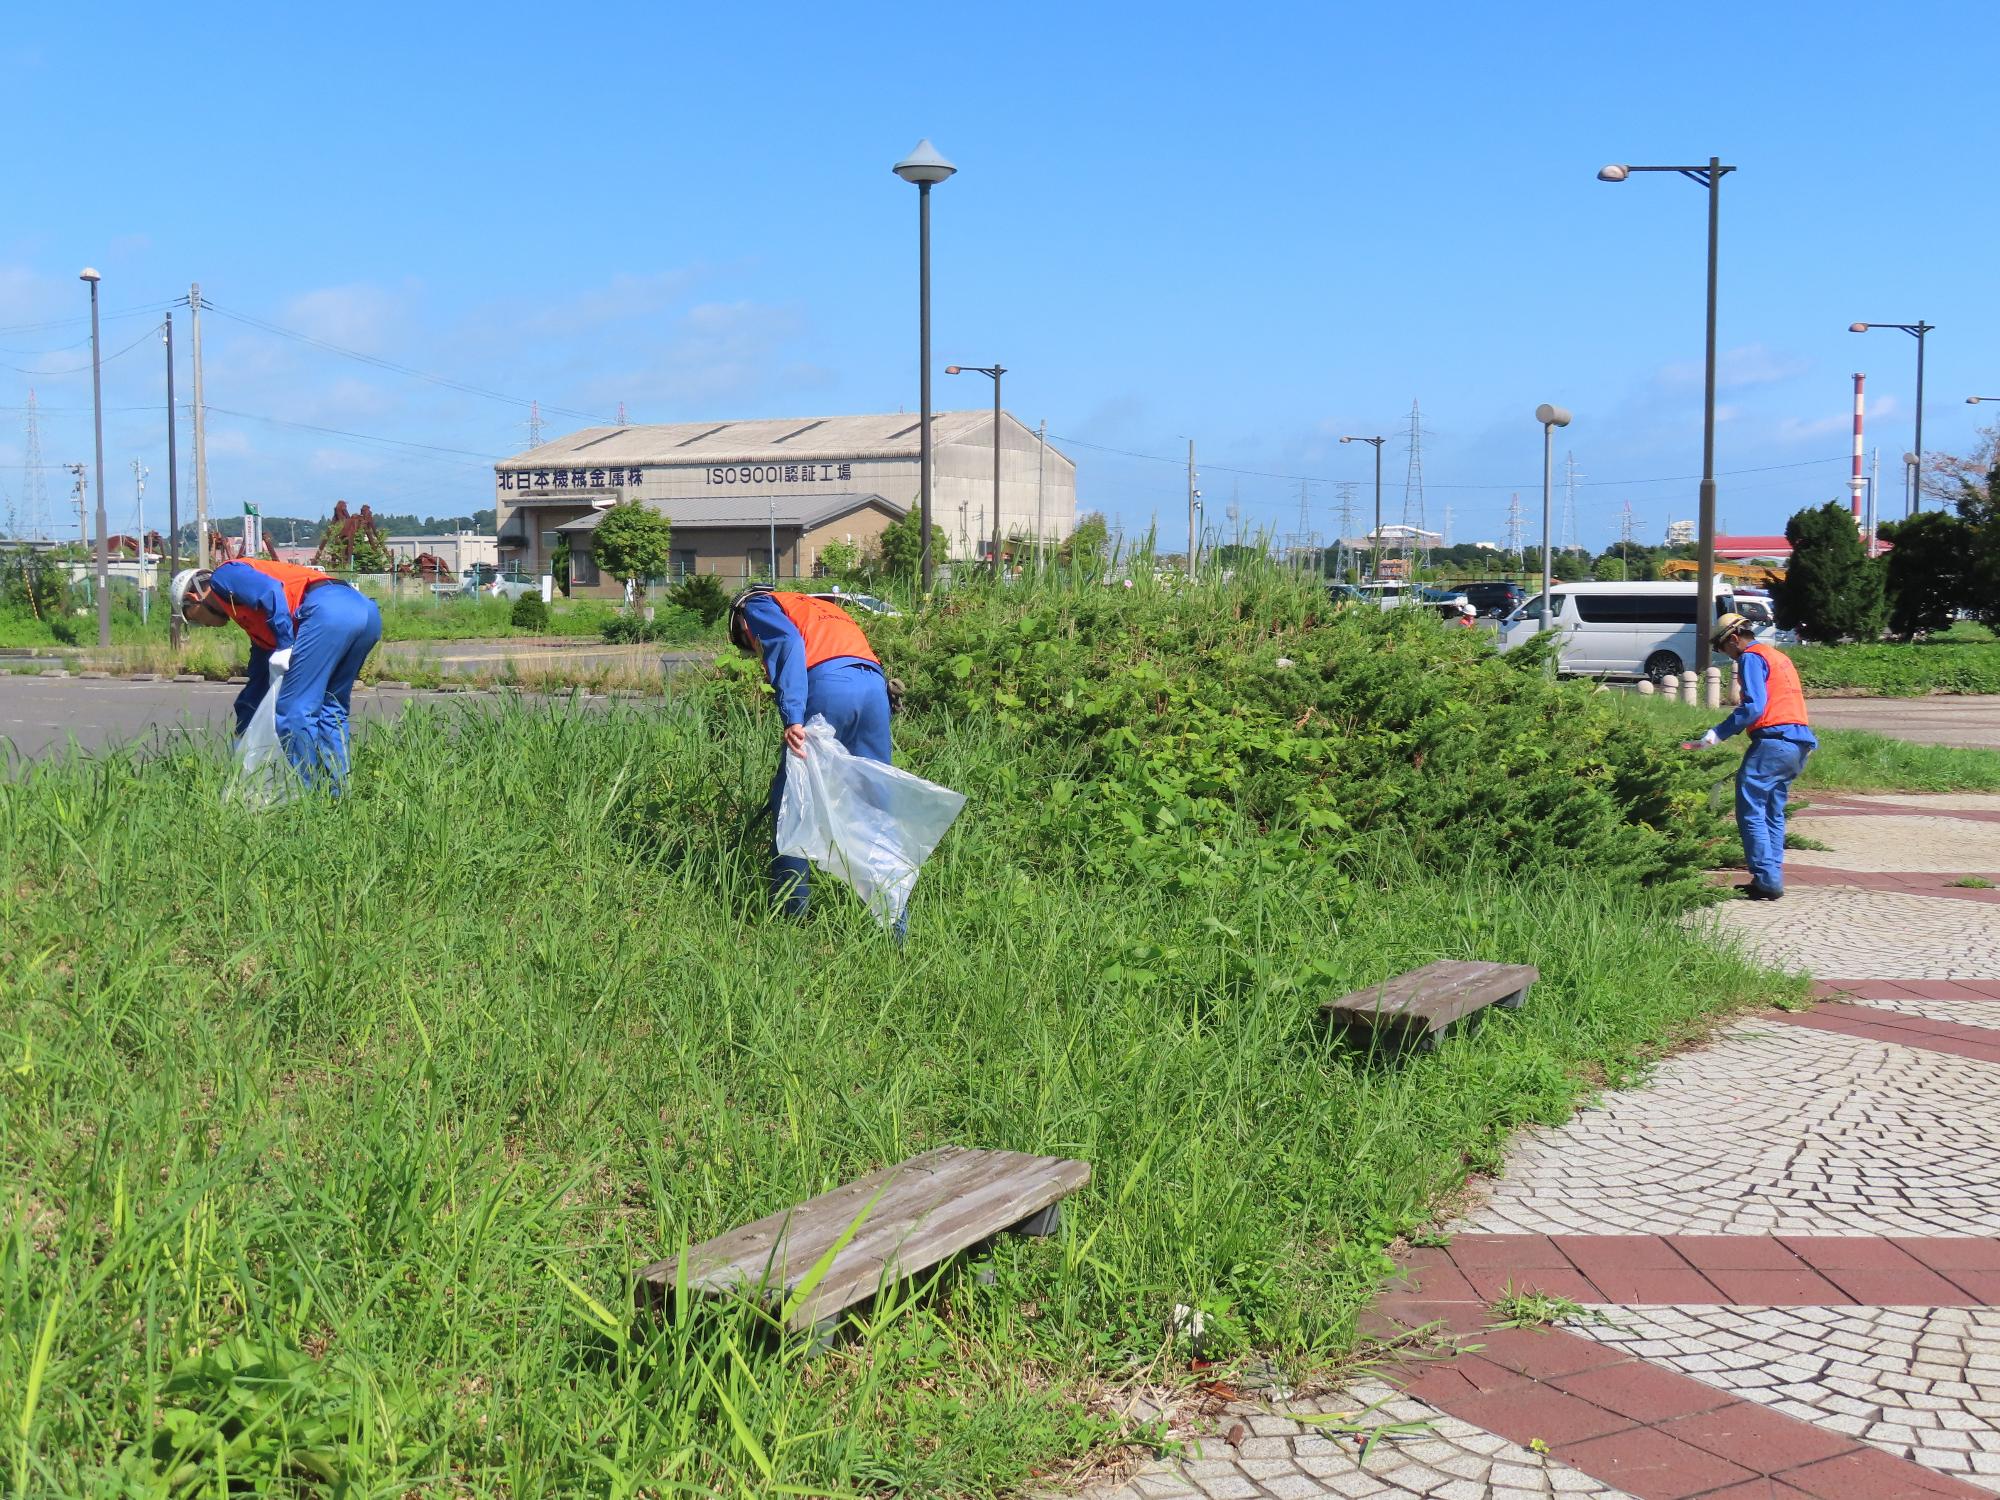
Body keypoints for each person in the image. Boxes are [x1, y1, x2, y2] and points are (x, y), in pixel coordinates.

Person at [729, 586, 895, 922]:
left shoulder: (757, 605)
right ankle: (892, 921)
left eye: (751, 646)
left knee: (794, 802)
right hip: (874, 689)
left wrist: (793, 715)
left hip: (828, 686)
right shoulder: (819, 606)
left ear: (743, 626)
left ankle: (791, 915)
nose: (757, 654)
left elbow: (787, 642)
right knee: (874, 804)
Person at [172, 558, 383, 791]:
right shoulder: (253, 616)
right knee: (330, 708)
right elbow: (257, 685)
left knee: (294, 712)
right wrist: (242, 738)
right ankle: (338, 795)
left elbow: (271, 591)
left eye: (193, 620)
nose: (203, 626)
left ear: (193, 598)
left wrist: (284, 643)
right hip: (364, 610)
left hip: (328, 610)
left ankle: (309, 796)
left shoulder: (224, 576)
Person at [1683, 612, 1817, 900]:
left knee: (1751, 809)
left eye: (1724, 649)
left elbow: (1754, 707)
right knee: (1772, 811)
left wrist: (1716, 734)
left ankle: (1767, 879)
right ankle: (1770, 876)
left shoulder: (1751, 657)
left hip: (1773, 742)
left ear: (1733, 639)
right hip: (1799, 744)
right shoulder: (1778, 656)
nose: (1728, 656)